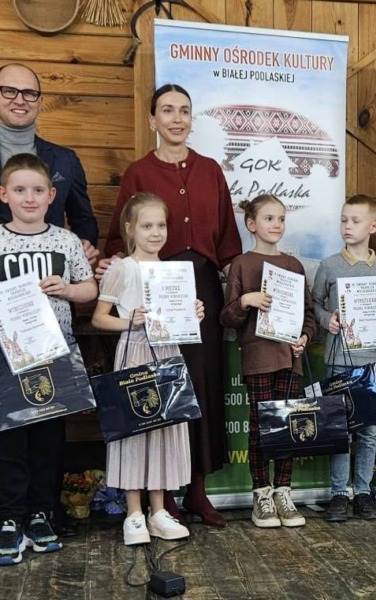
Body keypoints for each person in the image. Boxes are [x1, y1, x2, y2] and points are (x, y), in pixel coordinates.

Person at [101, 84, 242, 527]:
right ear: (153, 120)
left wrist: (240, 289)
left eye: (184, 110)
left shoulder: (210, 170)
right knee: (163, 384)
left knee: (200, 386)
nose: (177, 118)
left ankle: (197, 491)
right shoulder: (138, 172)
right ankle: (164, 498)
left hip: (201, 290)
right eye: (167, 111)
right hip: (153, 286)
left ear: (191, 119)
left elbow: (228, 239)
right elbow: (119, 236)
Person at [0, 154, 97, 565]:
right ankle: (9, 517)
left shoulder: (65, 240)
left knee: (49, 439)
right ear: (3, 194)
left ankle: (42, 513)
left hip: (56, 352)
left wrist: (68, 290)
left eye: (38, 190)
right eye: (20, 190)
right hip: (9, 356)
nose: (29, 198)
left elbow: (90, 288)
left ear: (52, 195)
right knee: (9, 439)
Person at [92, 193, 204, 545]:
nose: (155, 233)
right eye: (147, 226)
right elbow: (99, 318)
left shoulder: (172, 272)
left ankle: (158, 511)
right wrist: (130, 321)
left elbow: (179, 322)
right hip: (135, 354)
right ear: (130, 229)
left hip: (167, 354)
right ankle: (134, 513)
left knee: (163, 429)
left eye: (161, 225)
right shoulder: (122, 268)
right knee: (135, 428)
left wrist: (193, 314)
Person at [220, 194, 317, 528]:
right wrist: (245, 301)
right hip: (258, 356)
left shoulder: (294, 265)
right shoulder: (242, 264)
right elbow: (226, 317)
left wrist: (305, 338)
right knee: (261, 425)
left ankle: (284, 492)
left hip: (290, 358)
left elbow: (308, 315)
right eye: (269, 218)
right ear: (251, 224)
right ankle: (261, 493)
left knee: (288, 424)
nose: (276, 225)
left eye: (281, 219)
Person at [311, 194, 376, 522]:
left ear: (373, 226)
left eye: (355, 221)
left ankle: (362, 492)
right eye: (344, 220)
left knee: (368, 431)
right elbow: (315, 303)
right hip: (338, 359)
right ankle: (339, 493)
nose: (348, 226)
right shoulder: (329, 265)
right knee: (340, 429)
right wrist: (326, 320)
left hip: (373, 361)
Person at [0, 63, 99, 263]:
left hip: (51, 275)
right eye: (9, 91)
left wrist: (84, 246)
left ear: (40, 101)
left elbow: (83, 221)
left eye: (29, 93)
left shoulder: (66, 160)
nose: (20, 100)